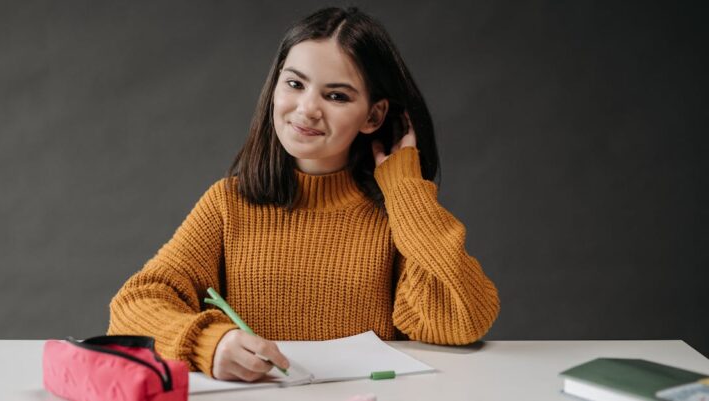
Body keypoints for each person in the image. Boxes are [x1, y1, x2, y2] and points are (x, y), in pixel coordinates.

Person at [108, 6, 500, 382]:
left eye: (336, 96)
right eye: (295, 84)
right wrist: (210, 343)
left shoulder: (397, 214)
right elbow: (132, 308)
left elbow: (463, 319)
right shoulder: (230, 203)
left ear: (374, 116)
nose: (307, 108)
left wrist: (407, 195)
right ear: (275, 86)